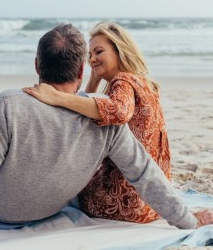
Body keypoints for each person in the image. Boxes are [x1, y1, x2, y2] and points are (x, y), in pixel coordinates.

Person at [0, 24, 213, 250]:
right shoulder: (103, 113)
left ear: (37, 64)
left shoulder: (10, 104)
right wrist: (189, 219)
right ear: (82, 71)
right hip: (49, 207)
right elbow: (145, 174)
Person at [23, 22, 169, 223]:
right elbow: (90, 103)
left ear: (120, 51)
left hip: (122, 204)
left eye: (99, 52)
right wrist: (94, 76)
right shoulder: (140, 82)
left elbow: (118, 111)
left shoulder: (123, 82)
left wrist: (57, 97)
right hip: (152, 202)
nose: (92, 59)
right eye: (89, 55)